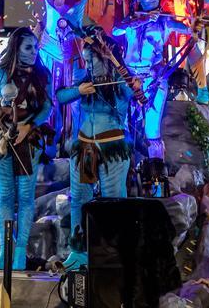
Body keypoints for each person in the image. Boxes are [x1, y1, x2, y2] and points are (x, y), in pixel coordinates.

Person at [10, 0, 116, 145]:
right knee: (46, 99)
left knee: (76, 100)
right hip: (49, 51)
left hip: (74, 51)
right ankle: (46, 143)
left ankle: (75, 144)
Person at [56, 26, 140, 269]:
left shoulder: (121, 78)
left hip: (112, 146)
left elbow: (135, 92)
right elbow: (60, 97)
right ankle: (78, 250)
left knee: (113, 200)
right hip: (84, 146)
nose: (90, 63)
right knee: (79, 200)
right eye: (87, 58)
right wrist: (78, 90)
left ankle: (112, 252)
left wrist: (134, 85)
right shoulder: (83, 76)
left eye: (94, 58)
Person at [0, 27, 54, 271]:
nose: (34, 52)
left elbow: (48, 108)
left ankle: (20, 252)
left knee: (25, 198)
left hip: (29, 141)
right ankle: (6, 251)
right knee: (5, 197)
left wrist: (29, 126)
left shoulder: (43, 74)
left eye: (35, 47)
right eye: (28, 47)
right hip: (2, 139)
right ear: (16, 47)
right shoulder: (0, 71)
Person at [112, 0, 192, 158]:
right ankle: (121, 163)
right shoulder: (132, 19)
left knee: (152, 128)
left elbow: (188, 30)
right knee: (122, 123)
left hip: (153, 77)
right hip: (128, 76)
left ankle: (156, 168)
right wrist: (143, 20)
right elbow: (116, 30)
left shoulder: (164, 21)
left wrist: (196, 27)